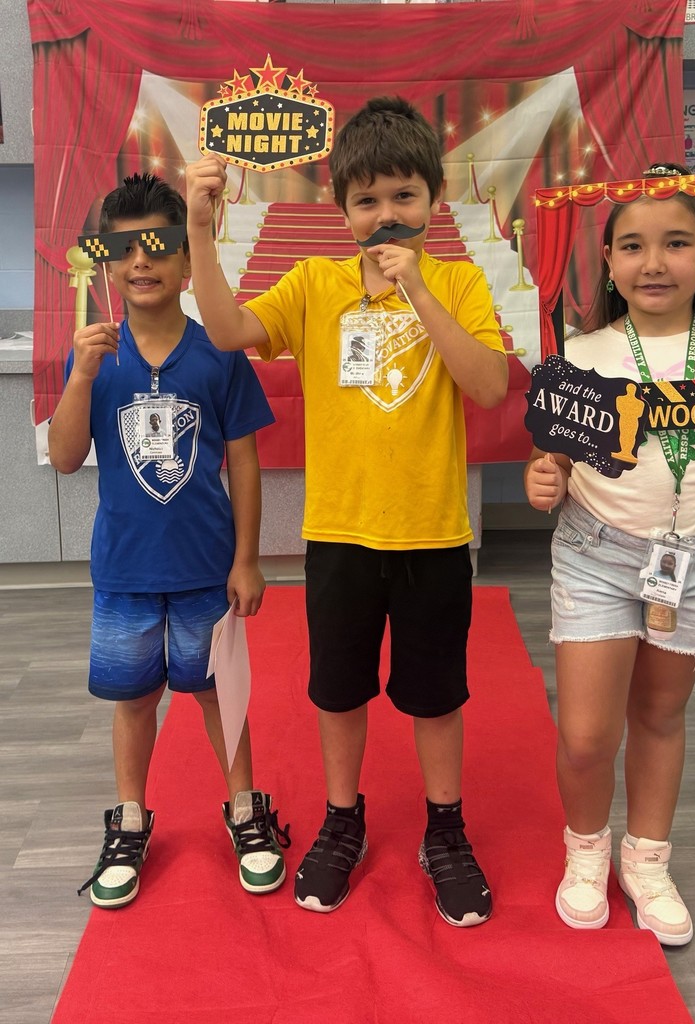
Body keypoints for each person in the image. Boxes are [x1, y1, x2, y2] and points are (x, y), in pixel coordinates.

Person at [185, 96, 508, 927]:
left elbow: (487, 386)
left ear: (434, 198)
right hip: (338, 532)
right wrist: (199, 229)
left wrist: (419, 290)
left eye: (403, 195)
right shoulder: (315, 284)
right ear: (342, 210)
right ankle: (341, 819)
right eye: (366, 200)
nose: (385, 214)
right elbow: (227, 330)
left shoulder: (459, 281)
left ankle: (445, 828)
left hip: (432, 532)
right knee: (337, 691)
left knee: (435, 694)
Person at [524, 163, 695, 945]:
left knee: (658, 716)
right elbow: (553, 463)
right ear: (607, 261)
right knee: (586, 735)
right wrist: (544, 477)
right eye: (632, 246)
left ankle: (645, 861)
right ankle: (585, 852)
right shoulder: (579, 352)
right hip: (594, 554)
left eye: (676, 243)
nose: (653, 263)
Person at [48, 173, 289, 908]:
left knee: (218, 694)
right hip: (125, 570)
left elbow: (243, 462)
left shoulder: (219, 353)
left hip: (205, 568)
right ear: (105, 263)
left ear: (187, 260)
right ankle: (129, 819)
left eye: (157, 245)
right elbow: (65, 457)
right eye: (124, 249)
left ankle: (244, 808)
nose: (141, 262)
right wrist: (81, 378)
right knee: (134, 699)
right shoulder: (94, 354)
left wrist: (247, 559)